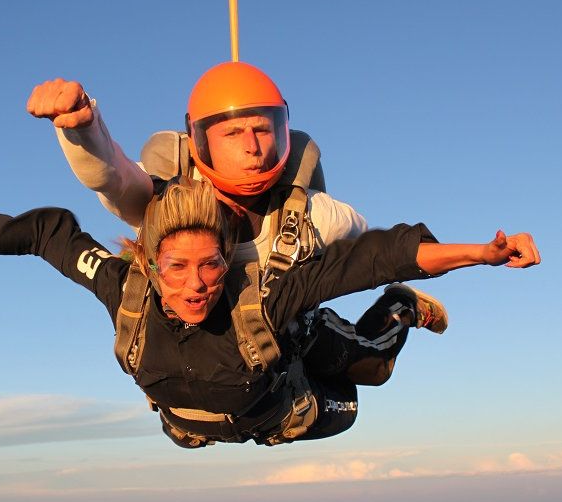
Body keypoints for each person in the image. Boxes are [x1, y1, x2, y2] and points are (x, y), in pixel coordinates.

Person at [0, 178, 540, 448]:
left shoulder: (260, 299)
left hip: (291, 401)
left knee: (371, 375)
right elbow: (48, 234)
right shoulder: (125, 292)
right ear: (148, 265)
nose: (196, 285)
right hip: (209, 419)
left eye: (211, 266)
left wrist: (480, 253)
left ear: (228, 264)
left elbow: (367, 260)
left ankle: (397, 316)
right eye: (177, 267)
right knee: (210, 408)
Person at [26, 62, 443, 388]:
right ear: (200, 139)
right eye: (232, 133)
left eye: (263, 129)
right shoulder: (168, 203)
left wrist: (456, 254)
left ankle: (402, 305)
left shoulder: (316, 213)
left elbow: (371, 250)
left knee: (370, 370)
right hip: (210, 349)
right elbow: (113, 176)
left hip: (288, 329)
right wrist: (84, 128)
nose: (252, 147)